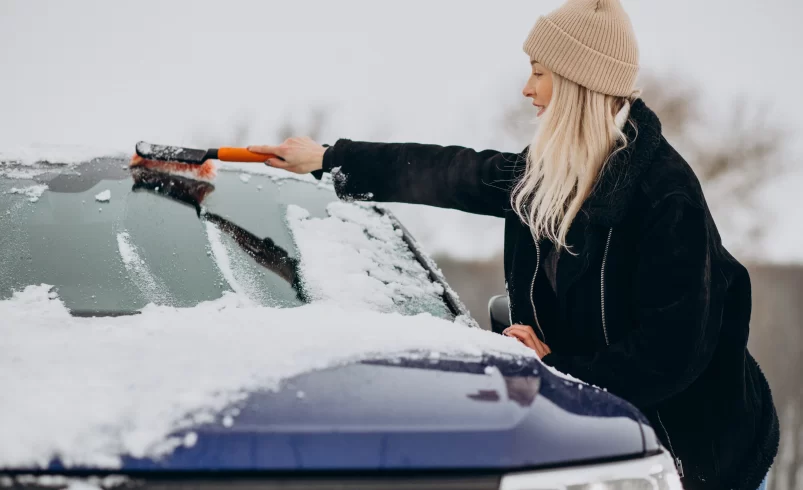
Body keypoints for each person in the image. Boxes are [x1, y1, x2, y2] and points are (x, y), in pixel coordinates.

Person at [246, 0, 778, 488]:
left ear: (576, 84)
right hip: (607, 431)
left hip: (701, 450)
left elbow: (670, 353)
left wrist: (558, 368)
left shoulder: (665, 196)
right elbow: (452, 172)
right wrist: (329, 158)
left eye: (539, 74)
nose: (527, 89)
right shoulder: (552, 173)